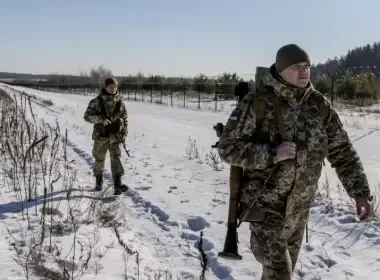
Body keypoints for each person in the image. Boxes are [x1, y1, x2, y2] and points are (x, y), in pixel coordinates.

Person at [217, 44, 373, 279]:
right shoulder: (257, 103)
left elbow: (342, 151)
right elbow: (227, 148)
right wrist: (272, 154)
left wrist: (360, 192)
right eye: (296, 66)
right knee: (280, 273)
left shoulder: (319, 106)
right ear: (281, 70)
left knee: (279, 274)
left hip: (299, 212)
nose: (304, 71)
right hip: (266, 209)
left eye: (307, 66)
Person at [84, 77, 128, 195]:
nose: (113, 89)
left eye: (115, 87)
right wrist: (101, 119)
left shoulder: (120, 102)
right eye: (111, 87)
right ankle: (99, 181)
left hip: (115, 136)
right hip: (100, 136)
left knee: (116, 158)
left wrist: (124, 132)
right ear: (105, 87)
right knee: (99, 159)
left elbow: (125, 118)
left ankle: (118, 185)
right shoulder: (96, 102)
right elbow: (87, 117)